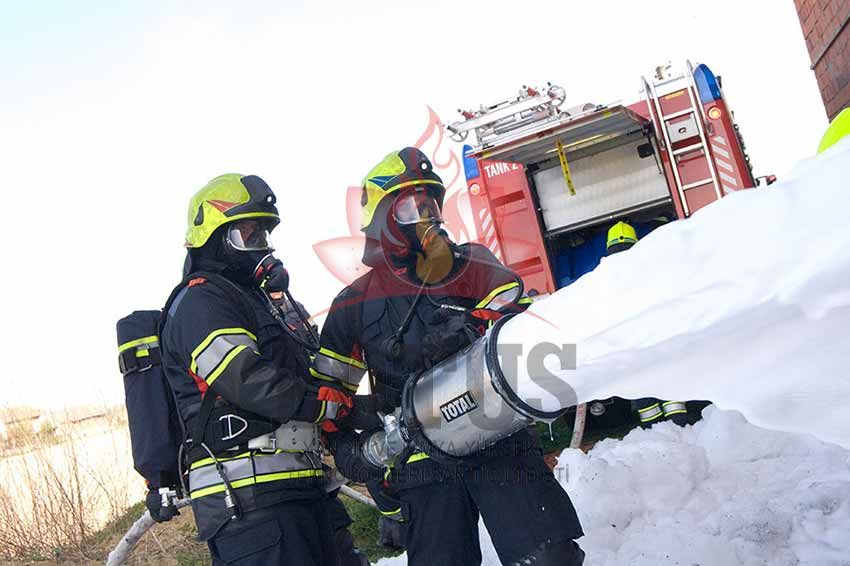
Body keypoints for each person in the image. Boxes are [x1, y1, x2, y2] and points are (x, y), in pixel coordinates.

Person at [316, 148, 585, 566]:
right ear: (384, 219)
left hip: (497, 440)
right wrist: (368, 466)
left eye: (430, 204)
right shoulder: (353, 304)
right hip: (422, 465)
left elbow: (522, 324)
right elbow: (332, 400)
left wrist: (473, 328)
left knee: (550, 557)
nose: (427, 216)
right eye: (410, 206)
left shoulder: (474, 264)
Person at [159, 173, 357, 565]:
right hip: (248, 502)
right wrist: (322, 405)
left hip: (301, 487)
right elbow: (245, 378)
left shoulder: (262, 303)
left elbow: (306, 365)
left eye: (263, 235)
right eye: (247, 235)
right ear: (214, 238)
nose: (260, 247)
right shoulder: (201, 302)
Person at [606, 220, 688, 428]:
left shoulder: (604, 276)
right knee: (668, 383)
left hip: (629, 344)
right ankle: (679, 425)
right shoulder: (650, 267)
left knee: (642, 385)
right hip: (655, 337)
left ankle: (653, 433)